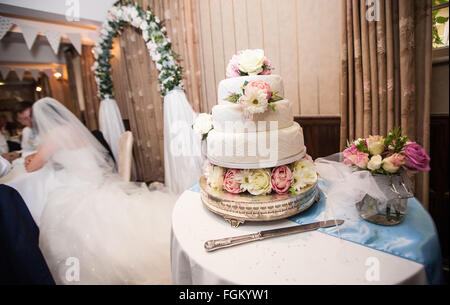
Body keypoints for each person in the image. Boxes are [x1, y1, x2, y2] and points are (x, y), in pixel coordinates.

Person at [4, 97, 177, 284]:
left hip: (80, 183)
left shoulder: (55, 135)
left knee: (53, 203)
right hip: (94, 177)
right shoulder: (71, 128)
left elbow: (32, 167)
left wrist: (34, 159)